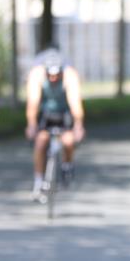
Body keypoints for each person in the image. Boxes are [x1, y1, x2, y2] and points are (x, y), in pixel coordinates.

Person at [25, 50, 85, 201]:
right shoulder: (36, 75)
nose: (53, 78)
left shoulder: (70, 76)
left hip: (64, 113)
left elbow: (75, 103)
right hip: (46, 114)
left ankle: (67, 166)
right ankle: (39, 181)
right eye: (50, 75)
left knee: (68, 141)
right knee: (40, 142)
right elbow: (33, 104)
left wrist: (78, 125)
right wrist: (31, 124)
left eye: (56, 75)